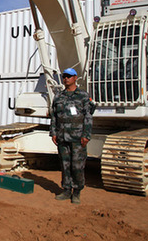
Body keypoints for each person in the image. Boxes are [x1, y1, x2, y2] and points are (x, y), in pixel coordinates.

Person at [49, 68, 94, 204]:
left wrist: (86, 135)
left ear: (75, 78)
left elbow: (88, 117)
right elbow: (54, 117)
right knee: (65, 165)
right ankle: (67, 190)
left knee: (77, 166)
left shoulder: (83, 96)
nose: (66, 79)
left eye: (69, 76)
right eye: (64, 76)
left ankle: (77, 192)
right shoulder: (58, 97)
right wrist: (54, 133)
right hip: (62, 137)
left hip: (77, 138)